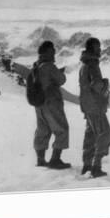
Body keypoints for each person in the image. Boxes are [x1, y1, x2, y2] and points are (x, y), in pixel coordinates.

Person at [32, 40, 71, 169]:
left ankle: (40, 159)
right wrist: (60, 73)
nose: (54, 54)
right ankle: (55, 159)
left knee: (42, 130)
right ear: (48, 52)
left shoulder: (36, 66)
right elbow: (61, 80)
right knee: (62, 129)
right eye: (52, 51)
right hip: (52, 103)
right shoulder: (49, 66)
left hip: (39, 104)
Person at [79, 37, 110, 178]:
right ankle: (96, 166)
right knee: (105, 133)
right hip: (95, 105)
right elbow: (97, 85)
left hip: (86, 105)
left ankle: (87, 165)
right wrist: (106, 84)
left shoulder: (83, 65)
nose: (100, 50)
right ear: (92, 49)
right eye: (98, 47)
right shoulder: (92, 64)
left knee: (91, 135)